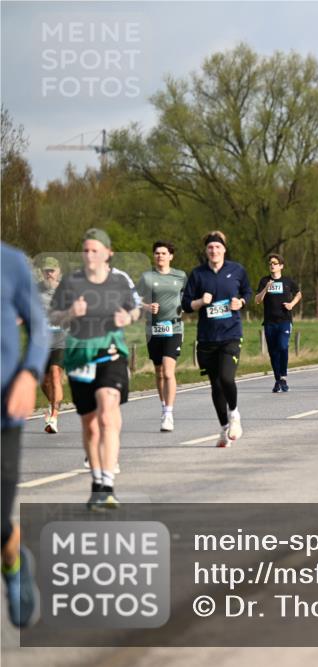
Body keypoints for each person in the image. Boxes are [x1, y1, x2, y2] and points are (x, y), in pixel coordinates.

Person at [50, 229, 140, 509]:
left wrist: (128, 317)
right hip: (80, 357)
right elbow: (53, 315)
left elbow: (136, 309)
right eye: (86, 250)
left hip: (110, 353)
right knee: (90, 425)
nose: (90, 255)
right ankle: (97, 483)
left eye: (95, 250)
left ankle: (107, 485)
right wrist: (69, 313)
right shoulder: (71, 282)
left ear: (108, 253)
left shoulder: (119, 281)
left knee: (107, 414)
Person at [2, 242, 50, 627]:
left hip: (4, 412)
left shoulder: (12, 263)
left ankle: (14, 560)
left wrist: (29, 374)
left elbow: (40, 330)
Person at [182, 230, 252, 448]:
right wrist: (200, 302)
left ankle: (235, 414)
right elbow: (186, 305)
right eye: (210, 247)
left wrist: (241, 302)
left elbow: (247, 293)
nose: (214, 251)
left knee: (226, 378)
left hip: (231, 334)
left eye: (218, 247)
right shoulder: (198, 274)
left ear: (224, 249)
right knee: (215, 385)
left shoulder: (236, 270)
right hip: (207, 337)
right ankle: (223, 429)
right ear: (206, 251)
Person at [137, 241, 187, 431]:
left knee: (168, 372)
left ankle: (169, 413)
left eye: (164, 253)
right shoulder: (147, 277)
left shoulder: (180, 276)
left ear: (171, 256)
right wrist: (146, 307)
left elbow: (188, 295)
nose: (160, 256)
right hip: (153, 329)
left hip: (174, 328)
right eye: (157, 253)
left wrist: (186, 305)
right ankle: (164, 405)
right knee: (158, 371)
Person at [255, 253, 302, 393]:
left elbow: (299, 293)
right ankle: (277, 380)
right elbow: (257, 300)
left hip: (284, 320)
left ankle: (283, 377)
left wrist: (292, 304)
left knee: (283, 346)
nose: (272, 265)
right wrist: (266, 288)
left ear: (281, 266)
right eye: (270, 263)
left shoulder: (287, 281)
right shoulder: (264, 281)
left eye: (275, 263)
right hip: (269, 322)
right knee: (273, 352)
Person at [36, 257, 65, 434]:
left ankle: (54, 417)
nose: (49, 274)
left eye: (52, 270)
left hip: (61, 339)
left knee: (55, 374)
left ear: (58, 271)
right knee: (44, 381)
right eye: (46, 270)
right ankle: (52, 403)